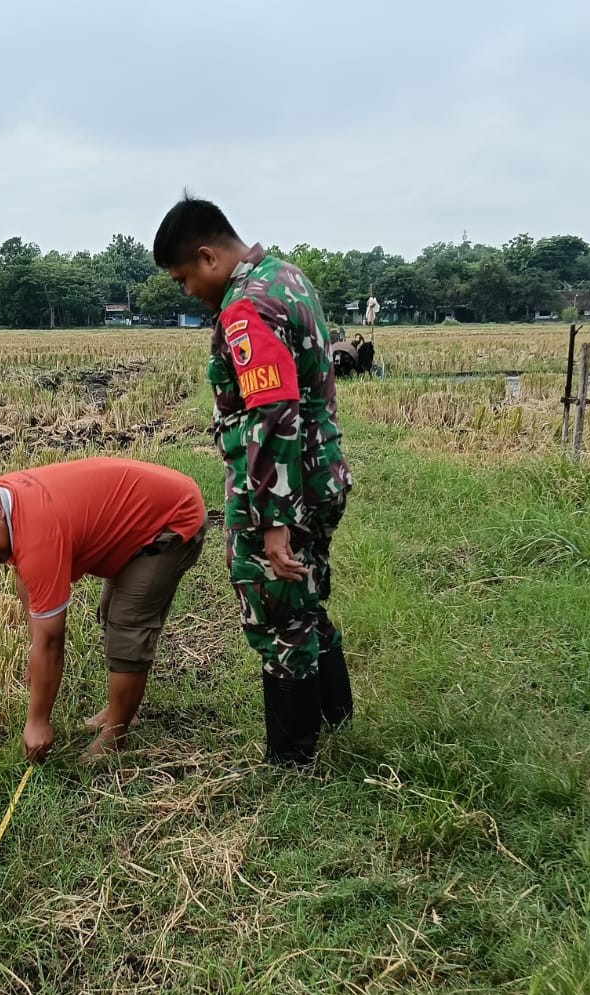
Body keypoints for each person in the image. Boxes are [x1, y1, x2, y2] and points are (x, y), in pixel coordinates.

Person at [152, 195, 353, 766]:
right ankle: (336, 716)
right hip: (322, 474)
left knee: (277, 614)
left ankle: (292, 762)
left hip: (286, 487)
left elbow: (274, 414)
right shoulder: (286, 278)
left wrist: (272, 522)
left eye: (184, 277)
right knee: (305, 600)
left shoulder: (246, 309)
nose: (187, 291)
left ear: (209, 257)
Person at [0, 457, 207, 762]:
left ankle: (117, 733)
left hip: (172, 518)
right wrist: (35, 652)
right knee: (110, 611)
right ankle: (123, 710)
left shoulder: (37, 531)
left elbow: (52, 642)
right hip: (145, 507)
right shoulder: (2, 501)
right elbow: (28, 584)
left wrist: (37, 722)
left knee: (127, 627)